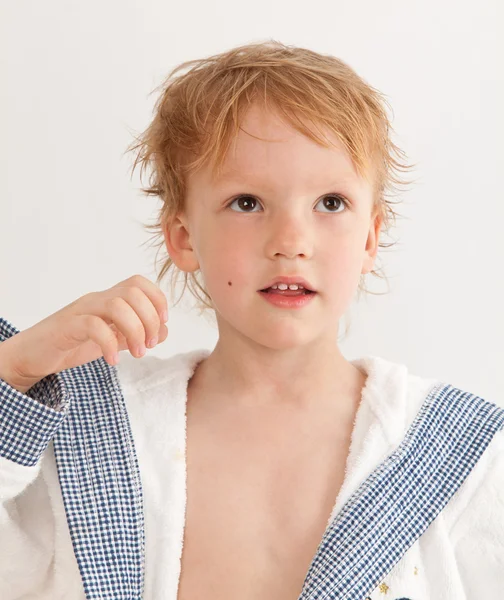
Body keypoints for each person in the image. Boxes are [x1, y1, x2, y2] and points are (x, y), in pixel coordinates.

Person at [0, 40, 503, 600]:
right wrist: (14, 370)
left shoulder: (464, 458)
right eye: (247, 203)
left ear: (370, 237)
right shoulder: (94, 434)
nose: (291, 242)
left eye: (330, 203)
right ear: (185, 238)